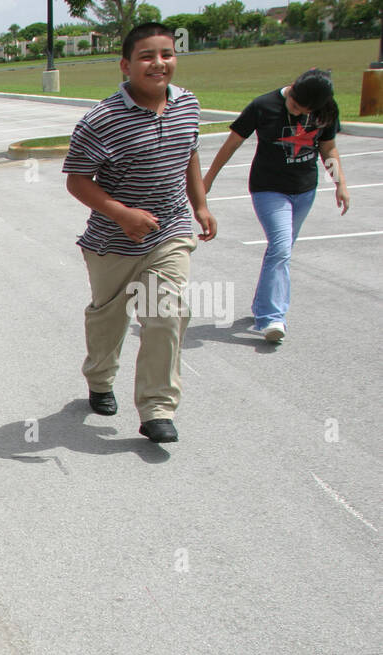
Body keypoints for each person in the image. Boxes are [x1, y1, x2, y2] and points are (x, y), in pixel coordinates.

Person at [63, 23, 217, 444]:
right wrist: (123, 215)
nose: (159, 63)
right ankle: (99, 377)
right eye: (147, 56)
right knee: (108, 320)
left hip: (169, 232)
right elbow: (77, 179)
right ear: (126, 65)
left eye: (166, 54)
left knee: (166, 314)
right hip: (112, 242)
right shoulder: (103, 119)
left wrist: (199, 204)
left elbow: (190, 153)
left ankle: (156, 408)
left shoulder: (188, 105)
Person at [202, 69, 349, 343]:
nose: (295, 113)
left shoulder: (327, 109)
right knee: (281, 248)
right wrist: (207, 180)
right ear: (292, 88)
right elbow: (232, 143)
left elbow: (328, 147)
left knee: (280, 251)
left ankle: (261, 306)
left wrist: (340, 183)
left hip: (305, 189)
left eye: (303, 110)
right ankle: (272, 318)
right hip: (268, 188)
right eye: (294, 105)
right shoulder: (263, 105)